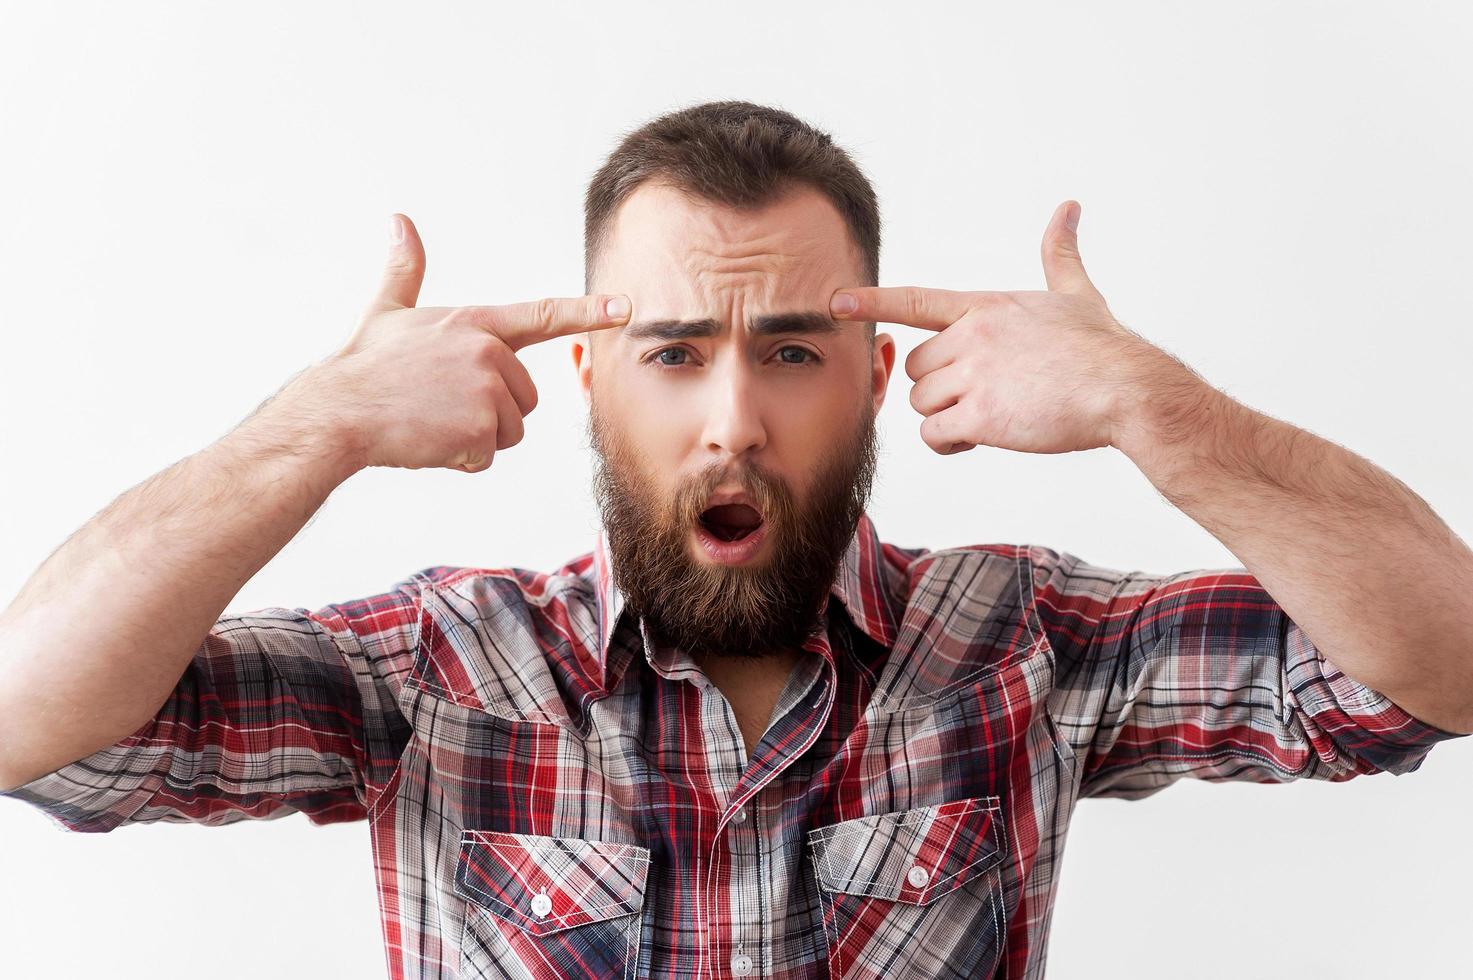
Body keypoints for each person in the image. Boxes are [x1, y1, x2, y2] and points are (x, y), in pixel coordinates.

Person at [1, 100, 1468, 980]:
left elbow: (1439, 667)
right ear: (586, 377)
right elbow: (31, 722)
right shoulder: (435, 667)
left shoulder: (1023, 645)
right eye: (671, 352)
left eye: (786, 352)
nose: (729, 425)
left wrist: (1163, 412)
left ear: (875, 377)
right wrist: (303, 430)